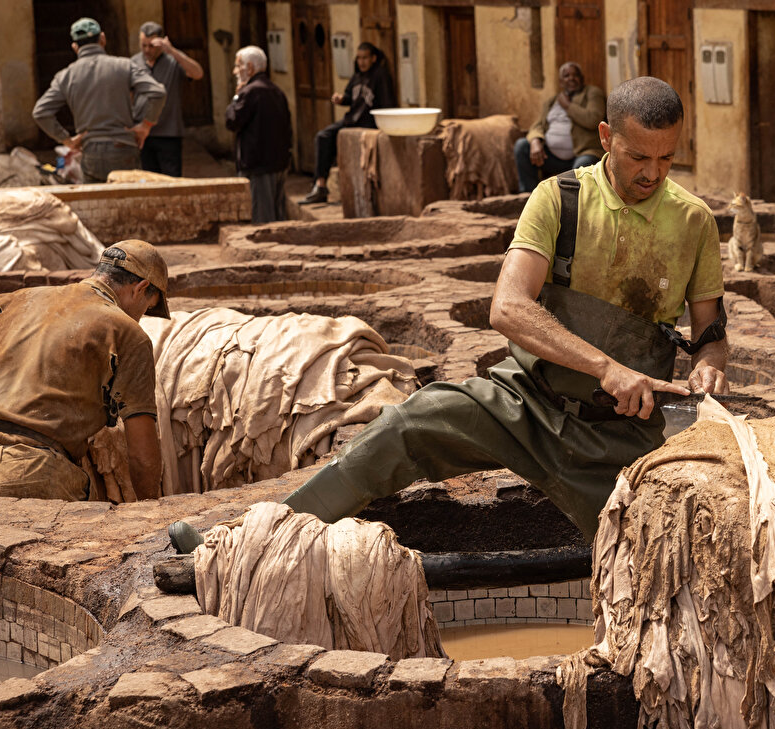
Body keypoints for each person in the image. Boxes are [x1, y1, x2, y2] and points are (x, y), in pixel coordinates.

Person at [169, 76, 728, 554]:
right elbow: (508, 308)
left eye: (666, 158)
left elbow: (710, 334)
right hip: (526, 403)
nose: (653, 173)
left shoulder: (694, 222)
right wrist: (605, 367)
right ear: (605, 138)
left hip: (624, 434)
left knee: (654, 551)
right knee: (405, 425)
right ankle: (243, 544)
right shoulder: (559, 199)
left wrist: (709, 364)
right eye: (638, 157)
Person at [0, 240, 168, 502]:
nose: (141, 317)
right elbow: (142, 453)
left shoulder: (15, 301)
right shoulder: (128, 332)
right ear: (141, 288)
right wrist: (152, 510)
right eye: (147, 308)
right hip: (36, 474)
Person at [32, 18, 167, 184]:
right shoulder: (125, 65)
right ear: (102, 38)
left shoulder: (65, 76)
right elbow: (158, 92)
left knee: (97, 198)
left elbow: (40, 112)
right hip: (123, 148)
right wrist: (146, 125)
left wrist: (67, 140)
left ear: (75, 47)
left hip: (91, 153)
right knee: (126, 198)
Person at [301, 42, 397, 205]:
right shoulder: (357, 76)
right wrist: (341, 99)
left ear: (373, 58)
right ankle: (320, 185)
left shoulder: (380, 75)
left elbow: (388, 103)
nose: (361, 62)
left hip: (368, 123)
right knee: (323, 137)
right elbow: (349, 97)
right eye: (359, 58)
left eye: (365, 58)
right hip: (351, 120)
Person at [513, 62, 606, 193]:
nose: (571, 78)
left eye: (575, 75)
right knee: (522, 146)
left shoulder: (592, 93)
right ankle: (530, 196)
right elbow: (537, 125)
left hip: (582, 153)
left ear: (582, 78)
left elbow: (593, 119)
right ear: (561, 82)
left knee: (582, 166)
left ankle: (572, 202)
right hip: (551, 157)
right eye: (566, 76)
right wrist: (535, 141)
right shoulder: (552, 102)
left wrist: (568, 106)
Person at [226, 46, 292, 224]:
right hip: (278, 163)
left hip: (258, 166)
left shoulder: (250, 92)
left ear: (249, 68)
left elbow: (232, 121)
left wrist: (236, 97)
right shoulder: (276, 90)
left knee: (262, 220)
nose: (235, 71)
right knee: (278, 216)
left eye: (238, 66)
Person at [130, 21, 205, 177]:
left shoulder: (173, 61)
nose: (147, 50)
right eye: (143, 45)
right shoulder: (134, 62)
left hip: (168, 133)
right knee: (147, 180)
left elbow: (197, 73)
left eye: (151, 46)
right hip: (143, 133)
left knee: (172, 180)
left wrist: (172, 51)